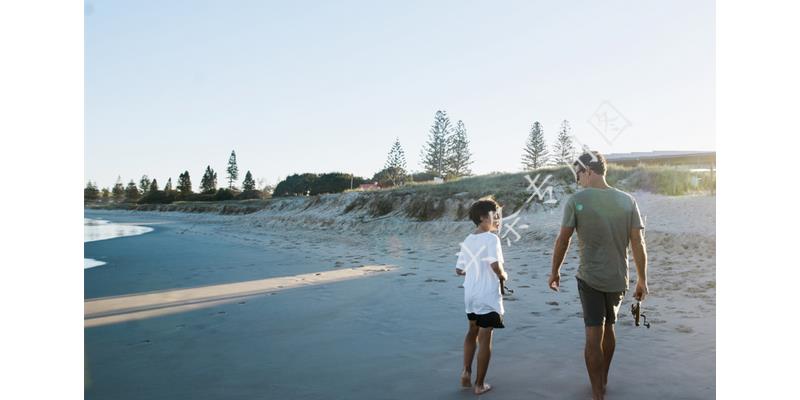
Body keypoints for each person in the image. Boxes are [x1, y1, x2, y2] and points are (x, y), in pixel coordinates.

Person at [548, 152, 649, 400]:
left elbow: (563, 240)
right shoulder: (627, 200)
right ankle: (603, 379)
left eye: (578, 174)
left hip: (590, 277)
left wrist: (555, 271)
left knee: (594, 334)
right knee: (610, 327)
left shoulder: (577, 200)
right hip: (618, 278)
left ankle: (596, 393)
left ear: (588, 171)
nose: (577, 180)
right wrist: (642, 279)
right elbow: (638, 241)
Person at [455, 197, 508, 395]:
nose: (498, 220)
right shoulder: (491, 239)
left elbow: (459, 270)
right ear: (482, 217)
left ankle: (466, 371)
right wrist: (503, 275)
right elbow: (496, 266)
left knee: (472, 331)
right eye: (495, 216)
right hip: (487, 295)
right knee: (485, 337)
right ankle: (479, 384)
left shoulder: (469, 239)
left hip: (471, 294)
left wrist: (475, 268)